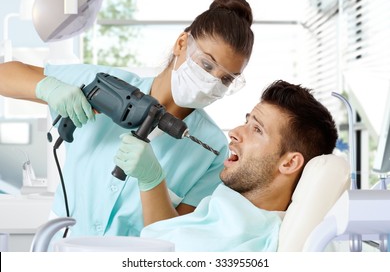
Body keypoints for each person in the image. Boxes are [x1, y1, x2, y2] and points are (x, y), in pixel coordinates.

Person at [0, 0, 254, 238]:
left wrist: (152, 180)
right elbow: (5, 74)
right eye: (206, 64)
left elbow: (175, 238)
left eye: (225, 79)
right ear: (181, 44)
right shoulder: (106, 85)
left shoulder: (212, 150)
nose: (211, 82)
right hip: (60, 246)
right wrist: (49, 88)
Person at [114, 80, 339, 251]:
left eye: (257, 129)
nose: (234, 133)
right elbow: (162, 240)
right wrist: (151, 180)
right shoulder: (222, 212)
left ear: (289, 163)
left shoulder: (248, 240)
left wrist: (152, 179)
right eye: (246, 121)